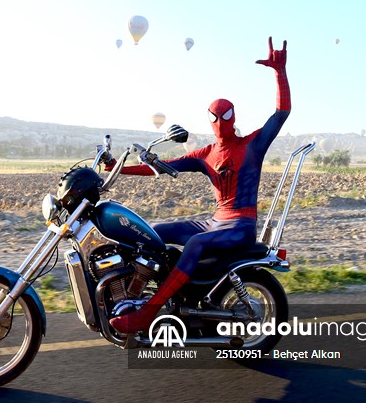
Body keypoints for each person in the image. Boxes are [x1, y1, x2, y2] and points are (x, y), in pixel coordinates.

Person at [109, 36, 291, 334]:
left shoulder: (252, 146)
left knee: (194, 244)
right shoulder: (205, 154)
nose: (220, 120)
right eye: (214, 116)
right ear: (207, 120)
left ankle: (147, 313)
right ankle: (137, 295)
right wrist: (117, 168)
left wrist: (279, 72)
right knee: (151, 232)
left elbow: (281, 114)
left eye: (225, 115)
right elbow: (162, 167)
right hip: (215, 221)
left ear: (234, 116)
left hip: (240, 225)